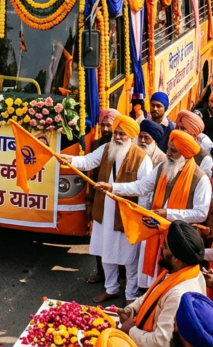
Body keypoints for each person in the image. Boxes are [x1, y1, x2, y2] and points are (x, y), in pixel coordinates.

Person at [98, 130, 211, 289]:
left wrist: (168, 213)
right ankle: (150, 295)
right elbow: (141, 186)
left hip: (178, 239)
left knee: (171, 280)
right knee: (152, 274)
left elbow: (201, 213)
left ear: (185, 155)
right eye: (168, 148)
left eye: (173, 151)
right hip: (155, 231)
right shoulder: (163, 167)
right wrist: (112, 187)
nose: (168, 153)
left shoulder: (200, 178)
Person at [57, 115, 149, 304]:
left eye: (122, 134)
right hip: (105, 212)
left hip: (126, 216)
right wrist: (70, 159)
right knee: (106, 253)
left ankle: (131, 296)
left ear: (131, 136)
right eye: (116, 133)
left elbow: (144, 189)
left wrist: (116, 190)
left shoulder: (142, 159)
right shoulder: (107, 148)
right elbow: (88, 161)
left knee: (129, 259)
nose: (117, 137)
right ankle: (111, 289)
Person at [116, 221, 206, 347]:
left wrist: (130, 330)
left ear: (176, 258)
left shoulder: (178, 295)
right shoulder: (181, 271)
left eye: (165, 246)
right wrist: (132, 309)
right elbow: (151, 296)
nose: (160, 248)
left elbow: (161, 342)